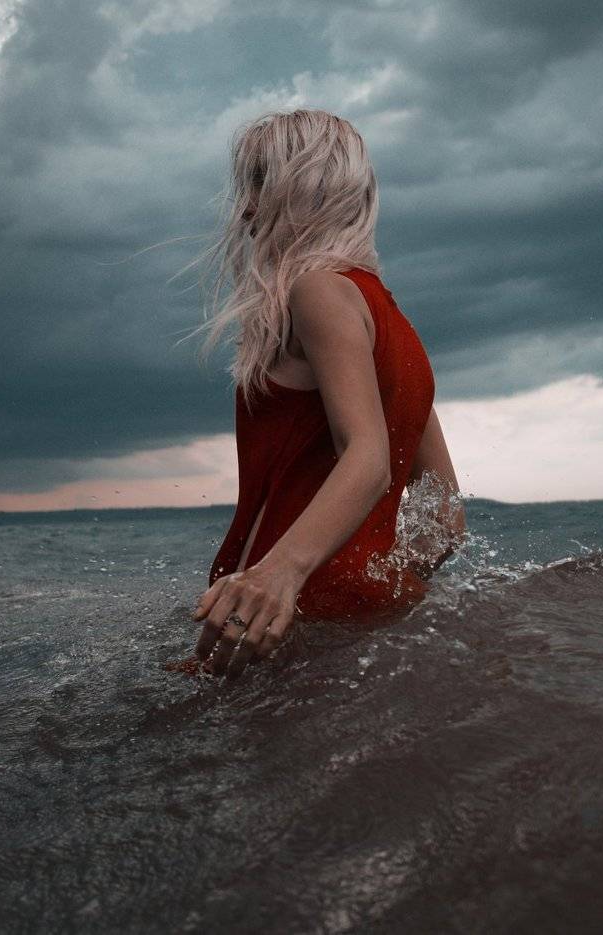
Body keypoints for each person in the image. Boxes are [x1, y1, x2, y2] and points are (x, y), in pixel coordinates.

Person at [172, 109, 465, 680]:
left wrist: (280, 575)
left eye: (256, 185)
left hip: (283, 619)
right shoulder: (390, 317)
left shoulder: (317, 292)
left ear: (298, 187)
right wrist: (371, 583)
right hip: (360, 616)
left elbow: (368, 456)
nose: (246, 209)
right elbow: (446, 515)